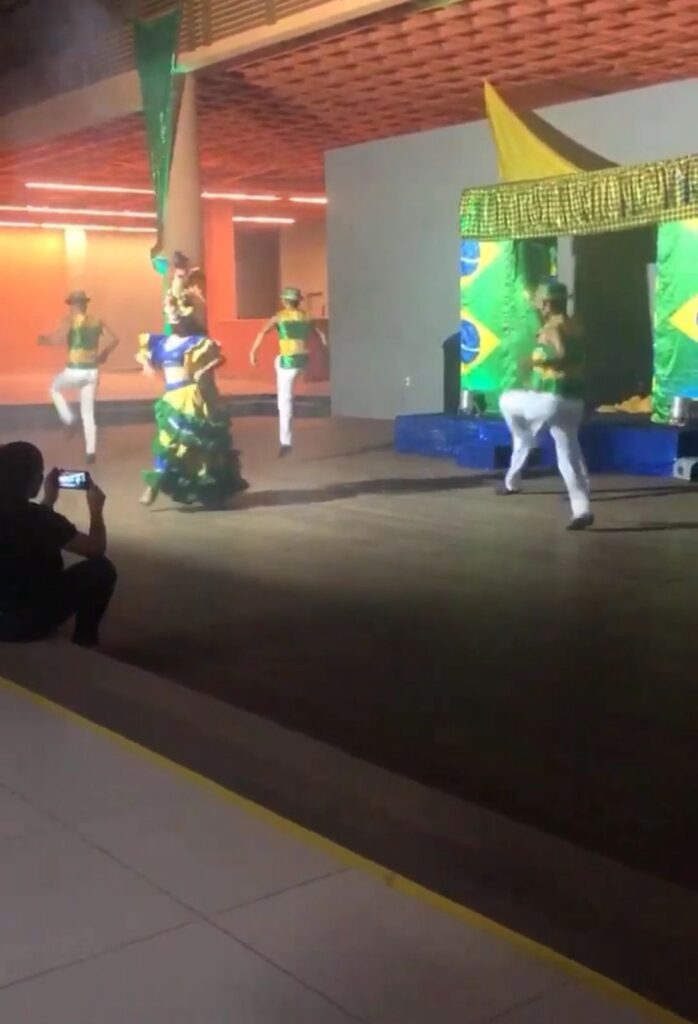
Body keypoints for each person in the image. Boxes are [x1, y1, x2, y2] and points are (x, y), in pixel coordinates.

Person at [137, 258, 247, 508]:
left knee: (196, 446)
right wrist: (145, 364)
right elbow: (145, 354)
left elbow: (219, 357)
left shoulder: (196, 342)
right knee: (167, 443)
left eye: (178, 314)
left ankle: (208, 488)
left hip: (191, 397)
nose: (174, 318)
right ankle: (153, 486)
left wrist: (203, 372)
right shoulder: (162, 343)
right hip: (171, 397)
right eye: (171, 314)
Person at [0, 441, 116, 648]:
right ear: (32, 479)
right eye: (39, 473)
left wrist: (48, 500)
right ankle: (85, 640)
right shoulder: (40, 519)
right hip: (25, 623)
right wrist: (96, 509)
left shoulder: (38, 518)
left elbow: (27, 527)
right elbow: (96, 549)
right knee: (102, 569)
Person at [498, 280, 593, 531]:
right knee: (568, 456)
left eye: (541, 303)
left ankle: (527, 438)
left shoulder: (553, 327)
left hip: (553, 401)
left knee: (507, 400)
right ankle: (581, 509)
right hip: (574, 403)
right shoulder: (578, 325)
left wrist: (539, 362)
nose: (539, 308)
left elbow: (562, 354)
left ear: (548, 305)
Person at [38, 290, 119, 464]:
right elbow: (114, 339)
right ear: (85, 304)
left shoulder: (69, 320)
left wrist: (44, 340)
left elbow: (58, 340)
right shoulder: (97, 320)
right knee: (88, 413)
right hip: (92, 371)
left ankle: (68, 419)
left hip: (74, 370)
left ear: (73, 305)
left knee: (54, 388)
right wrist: (104, 354)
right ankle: (91, 452)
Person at [249, 287, 327, 456]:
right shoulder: (306, 316)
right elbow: (320, 334)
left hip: (287, 362)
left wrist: (253, 352)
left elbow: (262, 332)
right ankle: (286, 438)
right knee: (286, 396)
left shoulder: (279, 317)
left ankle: (286, 442)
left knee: (284, 402)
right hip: (302, 361)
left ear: (284, 301)